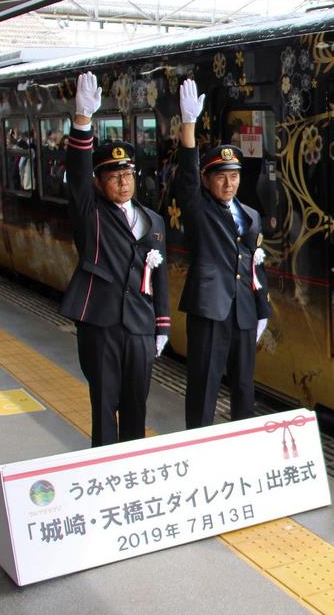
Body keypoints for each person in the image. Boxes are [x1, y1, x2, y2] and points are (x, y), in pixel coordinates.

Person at [58, 72, 171, 447]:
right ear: (98, 182)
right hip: (100, 322)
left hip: (140, 325)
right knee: (104, 404)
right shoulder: (89, 212)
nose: (123, 182)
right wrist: (83, 123)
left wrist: (162, 325)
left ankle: (133, 465)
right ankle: (104, 468)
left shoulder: (152, 220)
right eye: (113, 175)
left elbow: (160, 275)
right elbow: (75, 175)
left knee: (136, 404)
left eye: (128, 174)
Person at [176, 78, 269, 428]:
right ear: (207, 179)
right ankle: (198, 445)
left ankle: (242, 446)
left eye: (234, 176)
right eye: (220, 177)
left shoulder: (251, 215)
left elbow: (256, 267)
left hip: (244, 312)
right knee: (204, 386)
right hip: (210, 310)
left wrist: (263, 310)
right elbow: (185, 179)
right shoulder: (199, 210)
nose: (228, 183)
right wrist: (189, 125)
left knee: (244, 387)